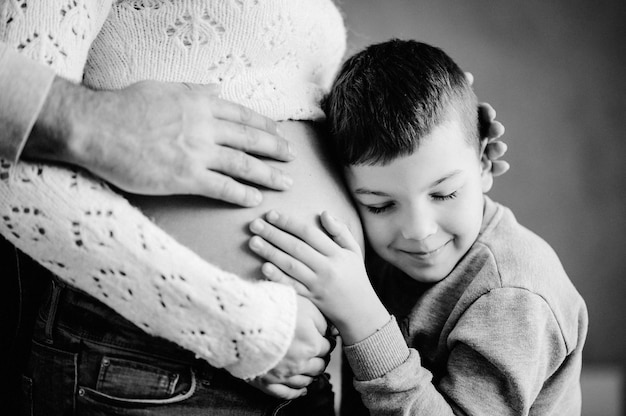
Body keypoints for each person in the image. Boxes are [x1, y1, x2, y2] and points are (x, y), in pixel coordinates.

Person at [0, 2, 506, 414]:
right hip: (154, 360)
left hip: (304, 365)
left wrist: (436, 119)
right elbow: (13, 171)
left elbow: (283, 91)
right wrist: (242, 328)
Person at [247, 39, 588, 415]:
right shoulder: (374, 254)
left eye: (444, 194)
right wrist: (276, 355)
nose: (418, 231)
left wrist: (362, 318)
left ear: (485, 163)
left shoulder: (514, 299)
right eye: (381, 205)